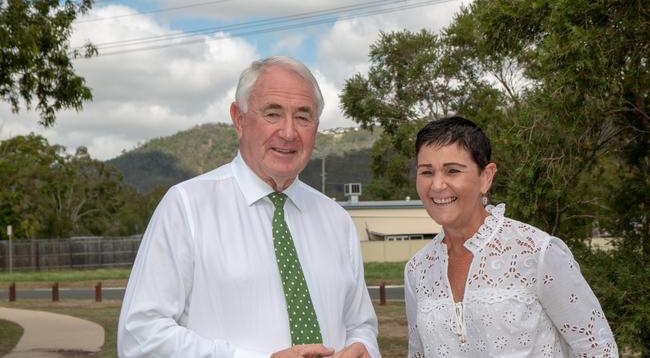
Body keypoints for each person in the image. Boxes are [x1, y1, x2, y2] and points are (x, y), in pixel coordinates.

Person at [117, 56, 379, 358]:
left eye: (303, 117)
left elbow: (360, 324)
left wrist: (364, 348)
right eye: (273, 114)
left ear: (316, 127)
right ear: (239, 119)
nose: (289, 132)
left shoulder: (337, 220)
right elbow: (140, 336)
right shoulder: (186, 207)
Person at [405, 116, 618, 357]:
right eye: (426, 172)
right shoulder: (418, 269)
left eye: (452, 170)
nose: (437, 185)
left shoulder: (536, 252)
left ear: (486, 176)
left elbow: (598, 348)